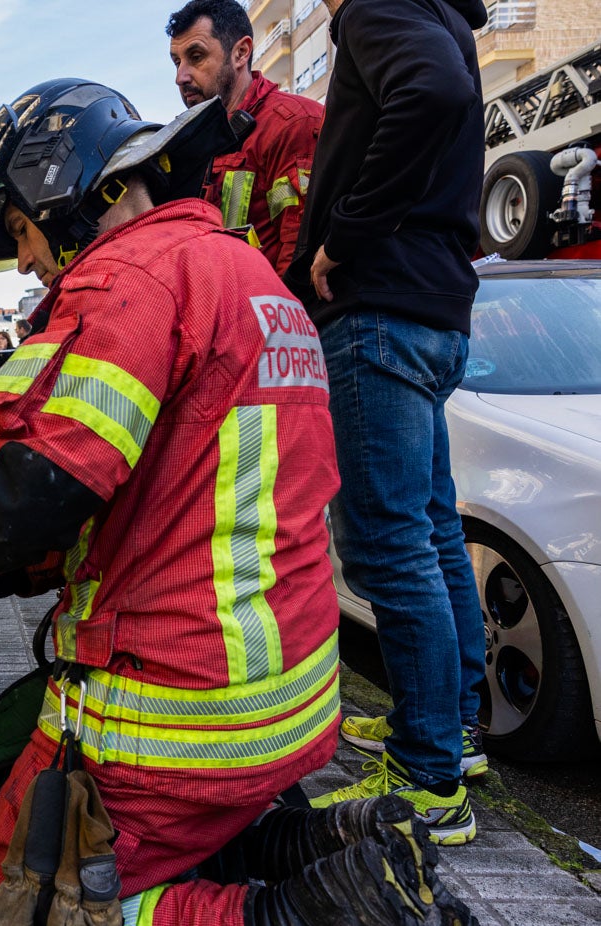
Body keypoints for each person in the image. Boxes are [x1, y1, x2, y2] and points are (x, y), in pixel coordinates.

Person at [0, 79, 475, 925]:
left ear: (60, 188)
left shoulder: (127, 282)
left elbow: (19, 502)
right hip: (286, 705)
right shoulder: (247, 273)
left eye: (18, 229)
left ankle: (319, 913)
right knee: (172, 841)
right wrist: (13, 571)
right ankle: (333, 846)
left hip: (175, 719)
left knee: (16, 895)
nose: (23, 261)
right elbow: (164, 492)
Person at [283, 0, 490, 846]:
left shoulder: (376, 4)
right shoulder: (439, 12)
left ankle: (426, 780)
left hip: (380, 307)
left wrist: (344, 236)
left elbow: (429, 93)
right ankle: (449, 735)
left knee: (388, 545)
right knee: (431, 533)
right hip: (431, 307)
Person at [168, 0, 323, 275]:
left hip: (274, 312)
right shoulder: (192, 145)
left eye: (196, 56)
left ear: (241, 53)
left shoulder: (291, 125)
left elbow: (301, 254)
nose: (181, 76)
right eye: (177, 62)